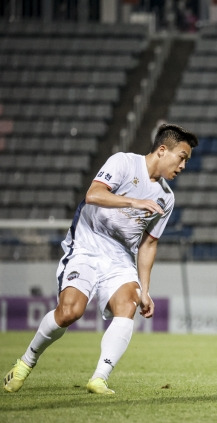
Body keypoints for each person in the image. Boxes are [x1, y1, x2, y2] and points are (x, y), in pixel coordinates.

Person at [3, 124, 198, 394]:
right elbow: (93, 195)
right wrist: (133, 202)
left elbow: (149, 244)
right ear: (163, 150)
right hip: (87, 244)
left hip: (120, 257)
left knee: (128, 303)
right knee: (70, 312)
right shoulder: (124, 163)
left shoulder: (166, 198)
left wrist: (145, 290)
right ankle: (26, 361)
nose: (183, 166)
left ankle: (100, 377)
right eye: (182, 157)